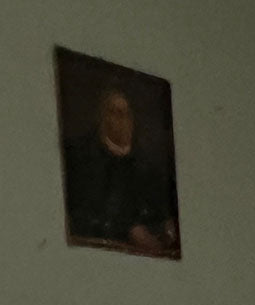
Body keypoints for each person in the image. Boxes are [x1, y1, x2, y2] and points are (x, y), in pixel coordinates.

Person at [62, 88, 178, 255]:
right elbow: (81, 215)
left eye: (126, 113)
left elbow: (161, 215)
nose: (121, 119)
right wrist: (129, 231)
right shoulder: (82, 157)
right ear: (102, 117)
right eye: (114, 112)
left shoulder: (147, 168)